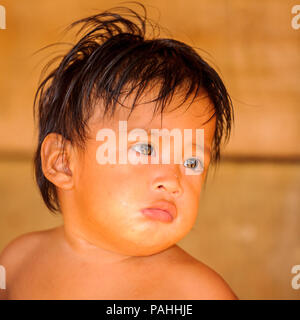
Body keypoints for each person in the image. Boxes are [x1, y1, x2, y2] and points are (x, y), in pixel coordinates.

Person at [0, 3, 237, 300]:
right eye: (145, 148)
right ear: (62, 162)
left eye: (192, 161)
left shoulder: (195, 292)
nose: (174, 180)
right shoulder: (18, 262)